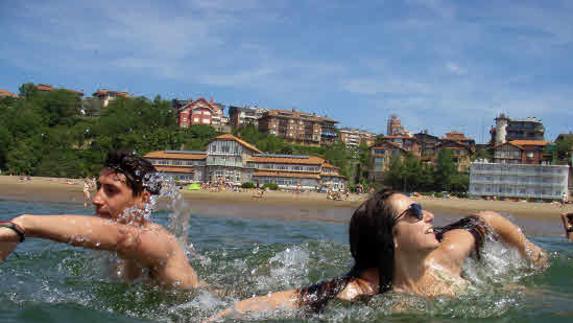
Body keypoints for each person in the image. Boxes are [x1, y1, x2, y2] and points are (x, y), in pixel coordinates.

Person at [212, 189, 547, 319]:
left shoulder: (447, 255)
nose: (428, 215)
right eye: (414, 212)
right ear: (392, 238)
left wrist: (530, 252)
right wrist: (220, 315)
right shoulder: (365, 288)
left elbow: (488, 220)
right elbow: (288, 299)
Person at [0, 151, 201, 289]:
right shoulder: (107, 236)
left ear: (143, 199)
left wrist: (24, 225)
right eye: (99, 187)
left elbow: (124, 238)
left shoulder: (159, 241)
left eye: (111, 190)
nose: (96, 199)